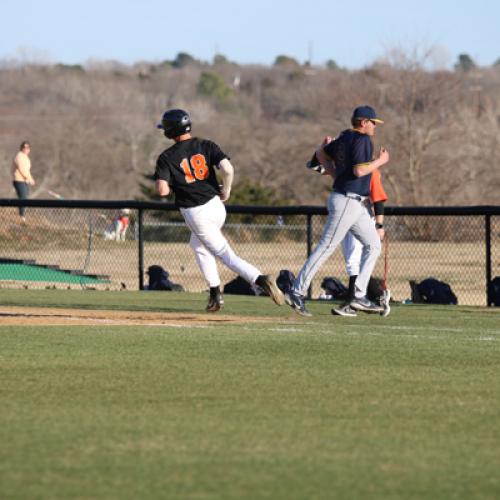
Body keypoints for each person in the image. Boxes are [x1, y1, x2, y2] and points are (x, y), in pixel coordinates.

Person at [153, 108, 284, 312]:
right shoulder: (206, 144)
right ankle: (215, 294)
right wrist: (228, 189)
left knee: (225, 254)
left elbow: (162, 190)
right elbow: (228, 169)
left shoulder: (166, 156)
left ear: (169, 131)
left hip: (197, 214)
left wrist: (171, 185)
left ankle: (259, 279)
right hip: (216, 206)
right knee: (198, 245)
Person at [285, 105, 390, 316]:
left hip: (354, 203)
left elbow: (320, 153)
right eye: (372, 122)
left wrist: (334, 174)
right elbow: (359, 170)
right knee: (326, 246)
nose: (374, 126)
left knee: (373, 245)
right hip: (347, 201)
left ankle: (358, 295)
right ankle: (296, 291)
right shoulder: (362, 140)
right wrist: (380, 161)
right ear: (363, 122)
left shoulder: (344, 137)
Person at [332, 168, 391, 317]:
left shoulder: (372, 170)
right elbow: (319, 166)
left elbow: (378, 199)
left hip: (361, 217)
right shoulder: (347, 167)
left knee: (354, 262)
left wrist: (379, 225)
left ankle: (351, 304)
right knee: (352, 262)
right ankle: (378, 295)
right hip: (344, 214)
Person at [12, 141, 35, 223]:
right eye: (24, 147)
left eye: (28, 147)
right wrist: (29, 178)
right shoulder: (19, 156)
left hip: (24, 180)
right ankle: (21, 216)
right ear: (21, 148)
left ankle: (21, 215)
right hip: (19, 180)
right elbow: (22, 169)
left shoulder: (25, 157)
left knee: (24, 198)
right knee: (23, 198)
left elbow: (27, 171)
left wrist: (31, 179)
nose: (26, 149)